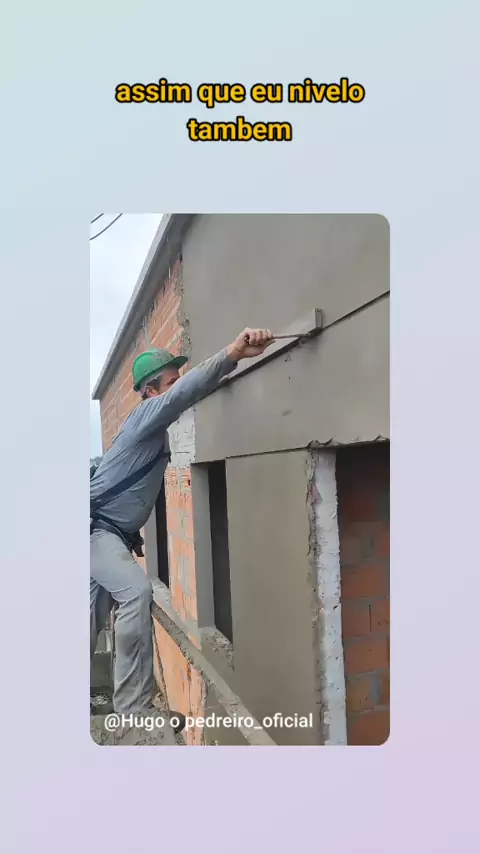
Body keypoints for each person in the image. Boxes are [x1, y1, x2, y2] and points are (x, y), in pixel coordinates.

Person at [90, 327, 274, 733]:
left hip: (106, 534)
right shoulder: (145, 417)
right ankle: (133, 713)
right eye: (171, 381)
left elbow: (185, 393)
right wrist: (233, 353)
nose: (178, 386)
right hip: (95, 532)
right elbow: (183, 395)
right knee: (135, 592)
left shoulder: (151, 430)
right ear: (150, 392)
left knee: (89, 618)